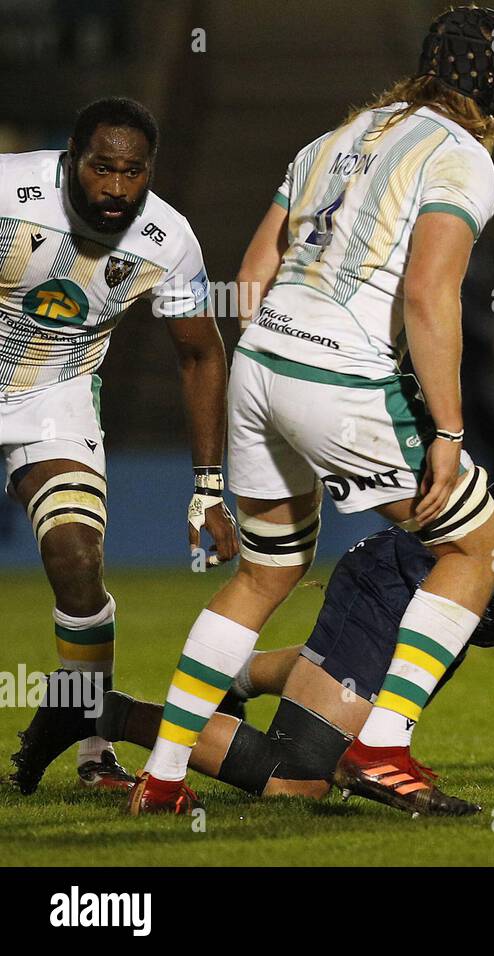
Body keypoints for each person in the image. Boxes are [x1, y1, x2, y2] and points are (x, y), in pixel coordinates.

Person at [128, 6, 494, 814]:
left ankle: (163, 777)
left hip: (261, 360)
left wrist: (274, 364)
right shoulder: (462, 155)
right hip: (339, 375)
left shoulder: (340, 135)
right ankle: (381, 746)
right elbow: (428, 290)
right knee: (478, 548)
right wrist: (447, 430)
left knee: (266, 570)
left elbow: (254, 266)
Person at [97, 380, 494, 815]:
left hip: (444, 620)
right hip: (402, 586)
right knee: (300, 777)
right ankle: (112, 716)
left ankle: (233, 679)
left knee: (331, 678)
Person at [6, 97, 237, 794]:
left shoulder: (168, 241)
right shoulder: (10, 192)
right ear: (68, 158)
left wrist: (207, 488)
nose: (115, 187)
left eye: (132, 172)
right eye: (101, 167)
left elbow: (200, 354)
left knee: (77, 559)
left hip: (54, 397)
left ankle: (92, 748)